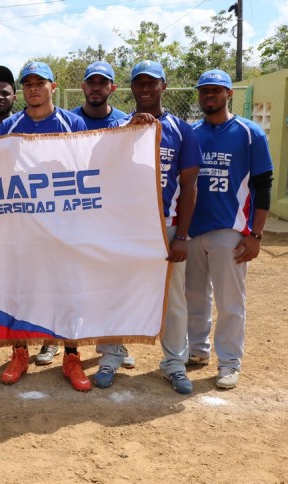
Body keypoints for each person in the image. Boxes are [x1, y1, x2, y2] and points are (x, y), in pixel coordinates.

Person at [93, 60, 201, 394]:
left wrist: (181, 235)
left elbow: (190, 185)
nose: (145, 88)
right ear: (131, 88)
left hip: (165, 227)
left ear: (163, 86)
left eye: (151, 83)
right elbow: (100, 168)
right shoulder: (119, 126)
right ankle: (111, 355)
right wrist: (128, 132)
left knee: (173, 299)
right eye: (139, 83)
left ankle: (174, 363)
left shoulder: (181, 130)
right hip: (125, 228)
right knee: (116, 292)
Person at [0, 61, 92, 392]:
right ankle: (20, 353)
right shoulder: (9, 126)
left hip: (64, 226)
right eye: (28, 83)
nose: (34, 88)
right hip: (22, 226)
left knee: (68, 292)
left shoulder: (73, 123)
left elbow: (85, 170)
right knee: (20, 292)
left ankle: (72, 357)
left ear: (53, 86)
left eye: (40, 82)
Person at [186, 69, 273, 390]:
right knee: (193, 296)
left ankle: (229, 362)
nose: (209, 94)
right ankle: (197, 350)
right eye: (204, 90)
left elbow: (263, 185)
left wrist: (256, 235)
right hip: (192, 231)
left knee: (230, 301)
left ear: (229, 94)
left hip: (230, 230)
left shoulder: (250, 133)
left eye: (216, 89)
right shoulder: (191, 132)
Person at [69, 60, 137, 372]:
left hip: (111, 216)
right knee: (71, 282)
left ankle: (114, 342)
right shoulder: (69, 122)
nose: (96, 87)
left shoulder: (125, 123)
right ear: (83, 87)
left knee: (112, 284)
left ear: (113, 88)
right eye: (91, 82)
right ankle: (56, 342)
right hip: (75, 216)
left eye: (102, 82)